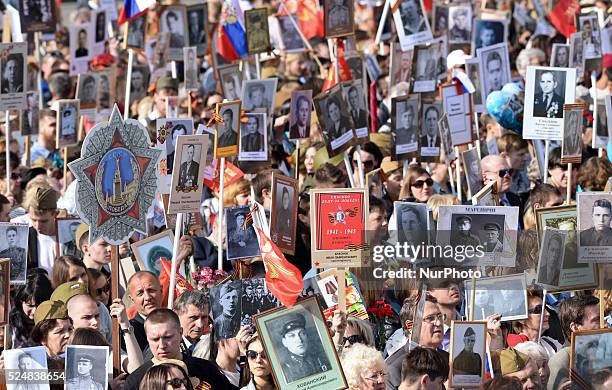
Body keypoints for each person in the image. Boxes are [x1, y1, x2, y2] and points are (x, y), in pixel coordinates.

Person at [124, 308, 236, 388]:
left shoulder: (205, 369)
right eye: (155, 339)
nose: (162, 345)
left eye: (167, 337)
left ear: (180, 332)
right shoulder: (136, 380)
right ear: (147, 338)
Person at [547, 295, 600, 390]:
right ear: (575, 327)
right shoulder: (563, 359)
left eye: (603, 319)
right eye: (596, 320)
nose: (604, 324)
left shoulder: (604, 351)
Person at [278, 312, 330, 382]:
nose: (299, 340)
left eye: (302, 333)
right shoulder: (284, 369)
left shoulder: (321, 358)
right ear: (285, 342)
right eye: (292, 336)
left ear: (307, 336)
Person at [127, 271, 164, 350]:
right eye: (140, 293)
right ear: (132, 299)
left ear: (161, 290)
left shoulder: (175, 321)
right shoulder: (131, 332)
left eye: (151, 290)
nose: (147, 297)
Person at [173, 290, 210, 357]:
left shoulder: (210, 348)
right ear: (176, 316)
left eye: (204, 317)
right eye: (194, 318)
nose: (200, 325)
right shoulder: (168, 349)